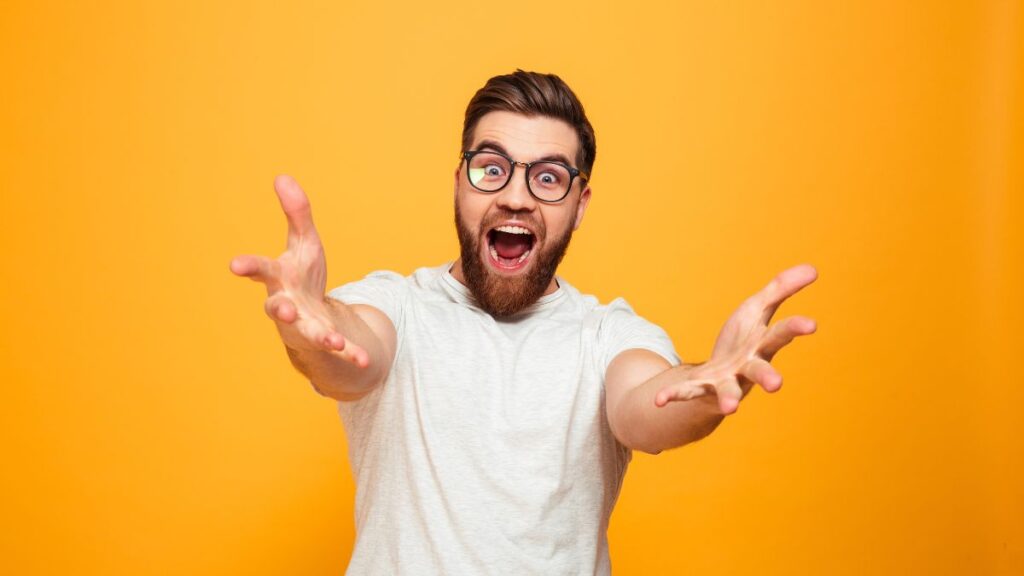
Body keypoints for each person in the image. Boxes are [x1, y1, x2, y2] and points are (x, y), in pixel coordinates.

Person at [230, 70, 817, 575]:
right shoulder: (397, 306)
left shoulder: (607, 334)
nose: (515, 197)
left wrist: (713, 385)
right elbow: (349, 358)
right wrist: (308, 325)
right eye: (491, 169)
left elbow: (646, 410)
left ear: (579, 204)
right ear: (460, 181)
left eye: (548, 177)